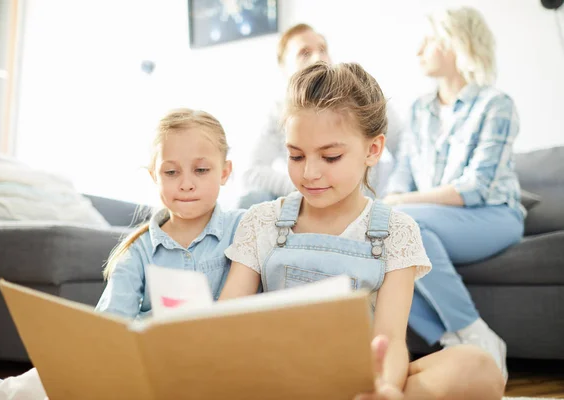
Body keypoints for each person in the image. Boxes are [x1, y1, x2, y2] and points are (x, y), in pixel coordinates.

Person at [220, 61, 505, 400]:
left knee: (478, 367)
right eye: (296, 156)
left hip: (358, 385)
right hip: (278, 382)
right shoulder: (262, 221)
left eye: (330, 157)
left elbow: (390, 338)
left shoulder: (397, 231)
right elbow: (225, 322)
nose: (309, 173)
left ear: (373, 149)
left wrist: (384, 388)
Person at [0, 108, 244, 398]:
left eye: (201, 170)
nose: (186, 183)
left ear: (224, 172)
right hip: (143, 365)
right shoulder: (138, 251)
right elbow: (109, 326)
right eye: (171, 172)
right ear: (154, 176)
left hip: (206, 370)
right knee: (56, 376)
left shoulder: (244, 227)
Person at [383, 7, 524, 381]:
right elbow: (403, 173)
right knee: (380, 237)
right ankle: (458, 337)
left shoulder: (496, 104)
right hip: (435, 217)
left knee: (405, 223)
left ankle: (478, 335)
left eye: (428, 41)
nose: (419, 51)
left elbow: (475, 188)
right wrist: (390, 201)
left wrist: (398, 204)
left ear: (456, 43)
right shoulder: (417, 110)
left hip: (494, 215)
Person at [239, 23, 401, 208]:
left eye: (323, 49)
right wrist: (308, 187)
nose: (318, 57)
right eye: (304, 53)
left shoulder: (365, 98)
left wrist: (395, 194)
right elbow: (251, 172)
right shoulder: (277, 112)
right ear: (284, 67)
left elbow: (406, 151)